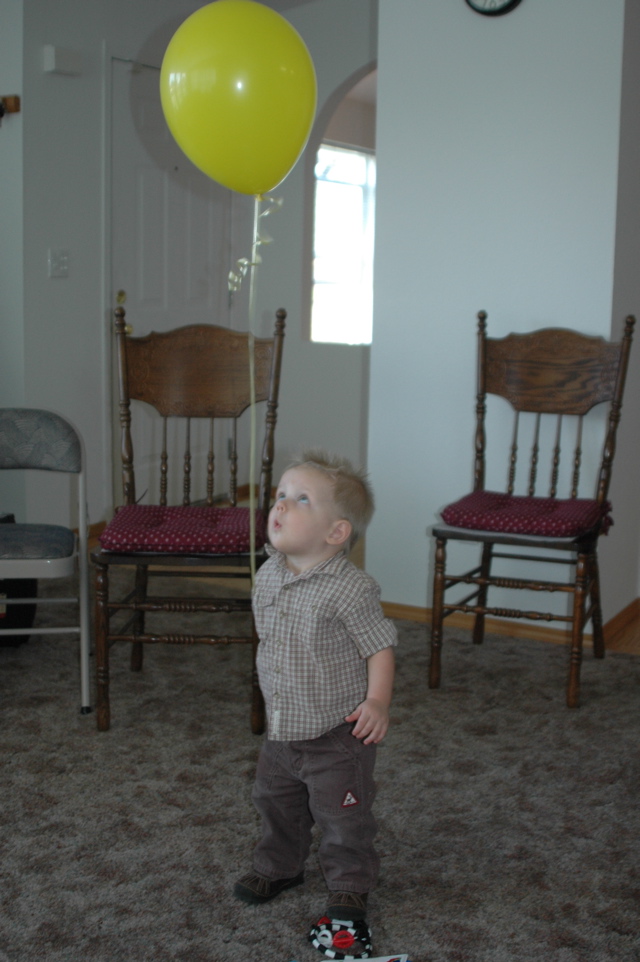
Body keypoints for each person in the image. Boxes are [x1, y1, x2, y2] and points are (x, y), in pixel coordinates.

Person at [233, 450, 397, 923]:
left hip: (335, 734)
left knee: (343, 816)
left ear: (336, 532)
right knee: (274, 801)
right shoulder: (268, 573)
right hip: (283, 727)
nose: (280, 506)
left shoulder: (351, 588)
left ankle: (350, 883)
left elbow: (379, 647)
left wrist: (378, 701)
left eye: (300, 499)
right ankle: (279, 866)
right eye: (280, 495)